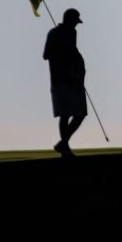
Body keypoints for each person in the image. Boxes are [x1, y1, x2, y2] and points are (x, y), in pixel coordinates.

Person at [43, 8, 87, 158]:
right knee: (65, 114)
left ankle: (63, 143)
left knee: (80, 113)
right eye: (74, 22)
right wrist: (62, 50)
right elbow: (46, 55)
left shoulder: (73, 33)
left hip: (73, 80)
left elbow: (72, 52)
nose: (75, 25)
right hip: (59, 80)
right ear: (69, 20)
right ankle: (64, 147)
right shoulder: (54, 33)